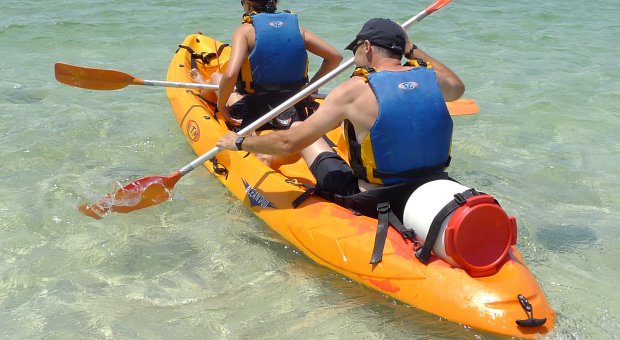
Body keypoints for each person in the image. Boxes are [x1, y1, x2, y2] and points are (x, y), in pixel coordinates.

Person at [216, 17, 465, 221]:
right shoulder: (433, 79)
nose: (354, 56)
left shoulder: (354, 90)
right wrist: (410, 47)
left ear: (366, 46)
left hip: (371, 197)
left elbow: (289, 142)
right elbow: (458, 86)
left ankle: (268, 157)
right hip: (431, 183)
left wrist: (238, 142)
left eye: (355, 49)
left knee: (301, 127)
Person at [192, 0, 342, 130]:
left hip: (255, 113)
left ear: (248, 4)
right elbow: (335, 57)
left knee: (216, 77)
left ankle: (202, 86)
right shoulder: (298, 29)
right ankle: (205, 87)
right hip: (295, 109)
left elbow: (230, 75)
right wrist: (311, 89)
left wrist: (222, 106)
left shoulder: (245, 31)